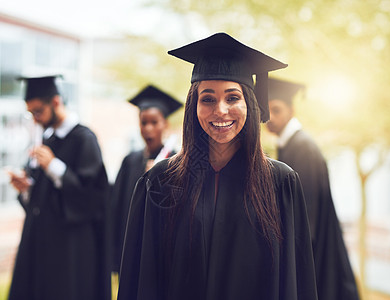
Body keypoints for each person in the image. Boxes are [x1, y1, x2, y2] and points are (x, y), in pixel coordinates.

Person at [117, 32, 318, 300]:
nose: (220, 110)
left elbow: (295, 281)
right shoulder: (160, 181)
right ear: (194, 106)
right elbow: (140, 279)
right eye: (208, 99)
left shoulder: (280, 183)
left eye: (233, 98)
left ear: (250, 103)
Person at [7, 75, 111, 300]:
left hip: (70, 247)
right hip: (40, 240)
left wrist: (54, 166)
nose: (35, 119)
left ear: (55, 102)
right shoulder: (46, 138)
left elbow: (93, 197)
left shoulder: (84, 139)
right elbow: (42, 197)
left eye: (37, 112)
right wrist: (25, 188)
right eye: (30, 113)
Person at [266, 77, 360, 300]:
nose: (270, 118)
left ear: (292, 109)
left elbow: (306, 216)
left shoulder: (302, 148)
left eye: (276, 109)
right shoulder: (290, 145)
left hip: (315, 254)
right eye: (266, 111)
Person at [111, 84, 182, 274]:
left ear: (165, 124)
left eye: (154, 122)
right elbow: (117, 207)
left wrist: (162, 178)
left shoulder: (176, 162)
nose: (148, 128)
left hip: (161, 250)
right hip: (131, 245)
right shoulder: (130, 160)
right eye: (144, 122)